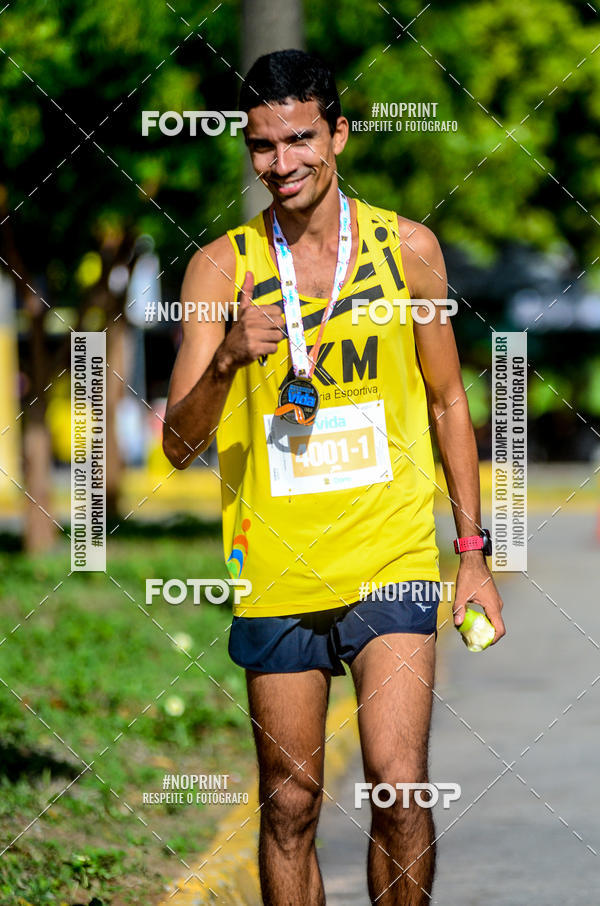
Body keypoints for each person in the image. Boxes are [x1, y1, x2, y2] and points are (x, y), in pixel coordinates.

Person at [163, 48, 505, 906]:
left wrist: (472, 553)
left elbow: (448, 403)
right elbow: (175, 444)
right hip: (275, 568)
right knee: (290, 804)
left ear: (339, 135)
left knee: (399, 787)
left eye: (300, 139)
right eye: (263, 145)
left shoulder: (408, 250)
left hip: (391, 557)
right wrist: (227, 358)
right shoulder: (220, 270)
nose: (281, 163)